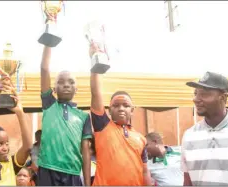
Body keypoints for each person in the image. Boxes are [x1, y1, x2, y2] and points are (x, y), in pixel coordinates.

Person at [88, 43, 152, 186]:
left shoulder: (141, 139)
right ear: (109, 110)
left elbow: (145, 171)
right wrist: (95, 60)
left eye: (126, 105)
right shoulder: (102, 126)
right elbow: (95, 92)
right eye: (115, 106)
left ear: (132, 110)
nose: (121, 108)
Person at [182, 72, 228, 186]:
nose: (196, 99)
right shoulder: (189, 135)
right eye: (195, 93)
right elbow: (188, 181)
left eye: (204, 94)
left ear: (223, 97)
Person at [38, 45, 92, 186]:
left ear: (77, 89)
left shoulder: (84, 117)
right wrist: (49, 41)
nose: (66, 85)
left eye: (71, 82)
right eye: (60, 82)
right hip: (47, 169)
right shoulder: (49, 104)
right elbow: (44, 69)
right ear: (54, 88)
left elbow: (86, 152)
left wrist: (87, 183)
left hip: (72, 173)